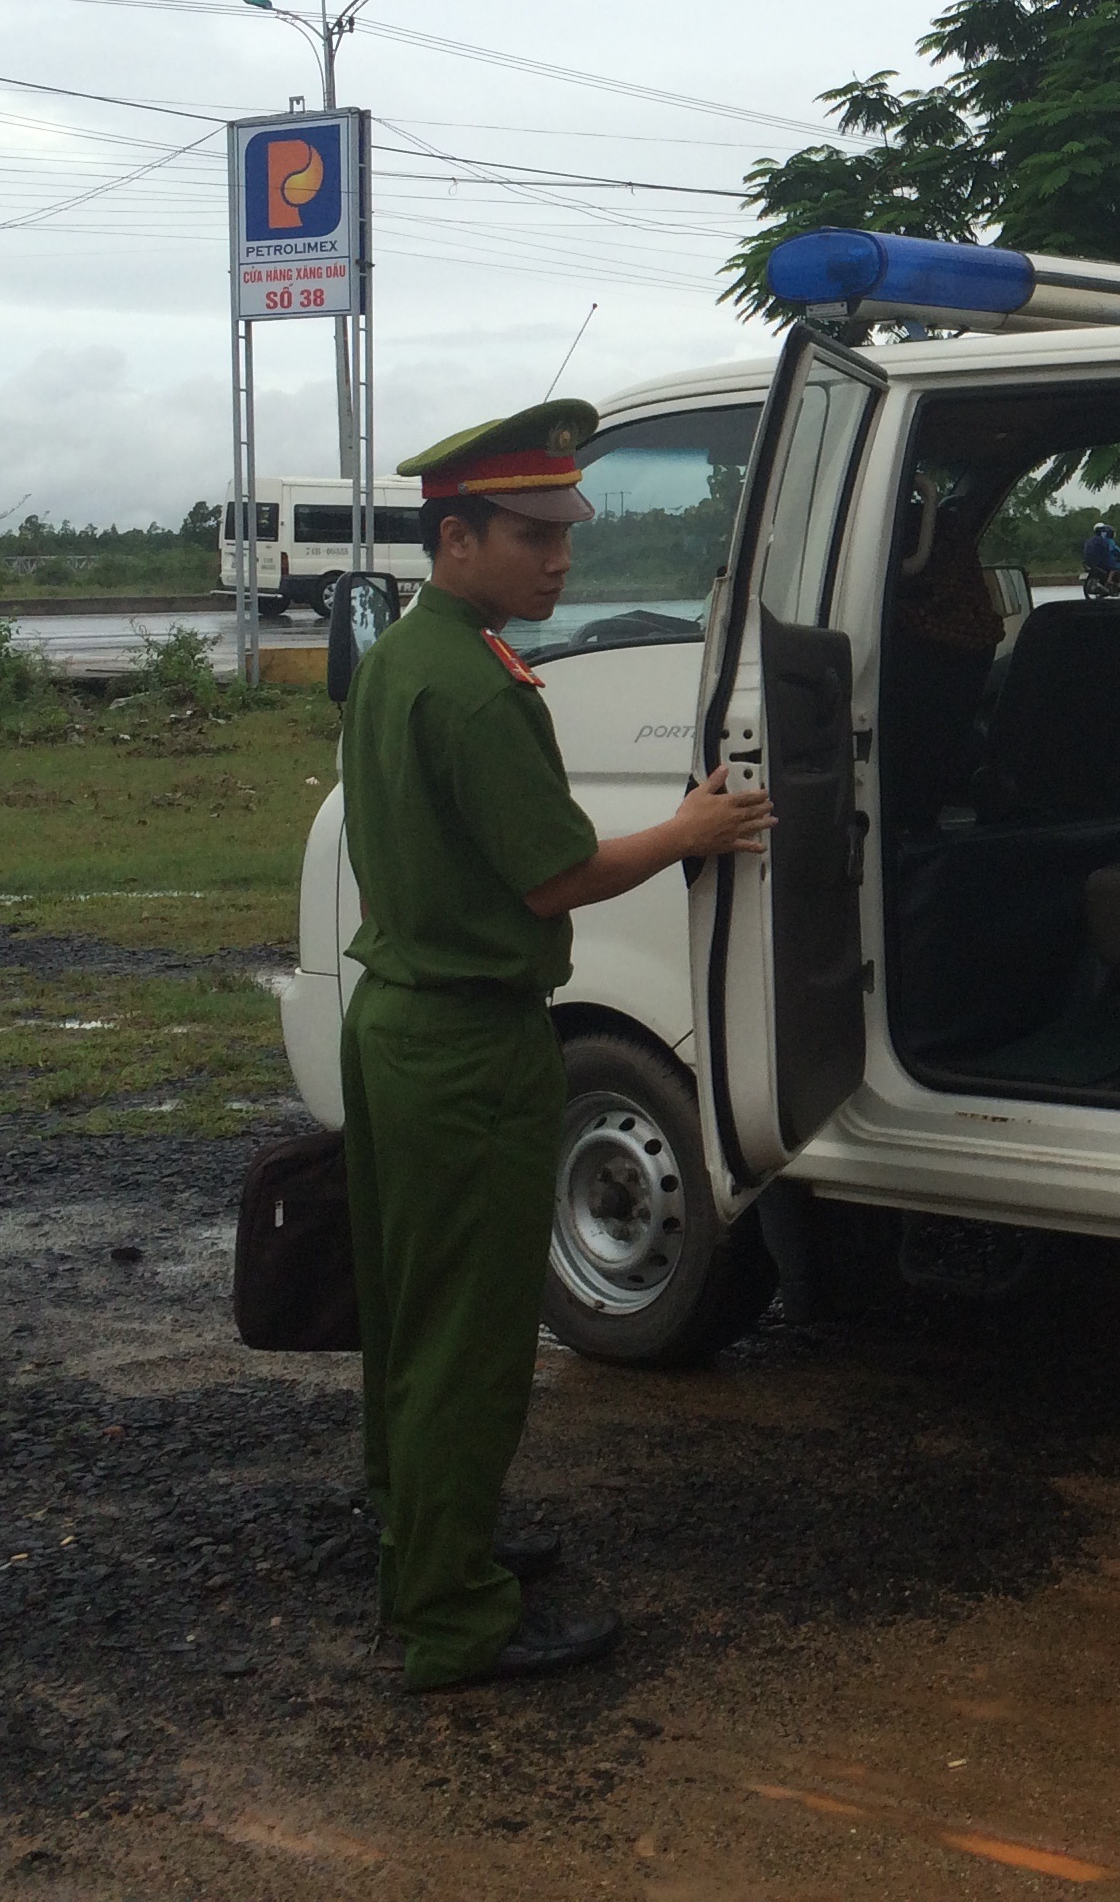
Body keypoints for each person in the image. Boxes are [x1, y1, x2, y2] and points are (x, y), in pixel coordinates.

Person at [342, 399, 776, 1693]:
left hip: (403, 1028)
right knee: (471, 1344)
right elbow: (558, 877)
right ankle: (452, 1618)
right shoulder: (480, 692)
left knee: (415, 1323)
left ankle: (424, 1540)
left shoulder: (411, 658)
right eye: (532, 536)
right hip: (467, 1046)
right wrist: (691, 830)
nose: (559, 559)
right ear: (457, 536)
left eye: (567, 533)